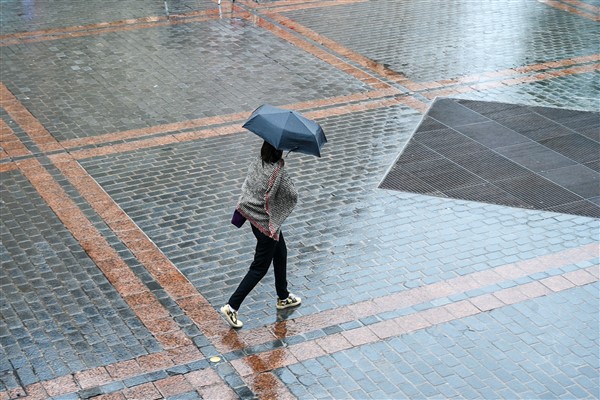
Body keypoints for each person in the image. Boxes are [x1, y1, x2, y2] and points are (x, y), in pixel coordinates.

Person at [221, 141, 301, 328]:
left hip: (253, 217)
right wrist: (283, 171)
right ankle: (232, 306)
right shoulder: (277, 171)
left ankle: (283, 296)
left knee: (280, 253)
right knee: (259, 268)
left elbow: (252, 185)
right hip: (266, 224)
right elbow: (292, 195)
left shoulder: (258, 161)